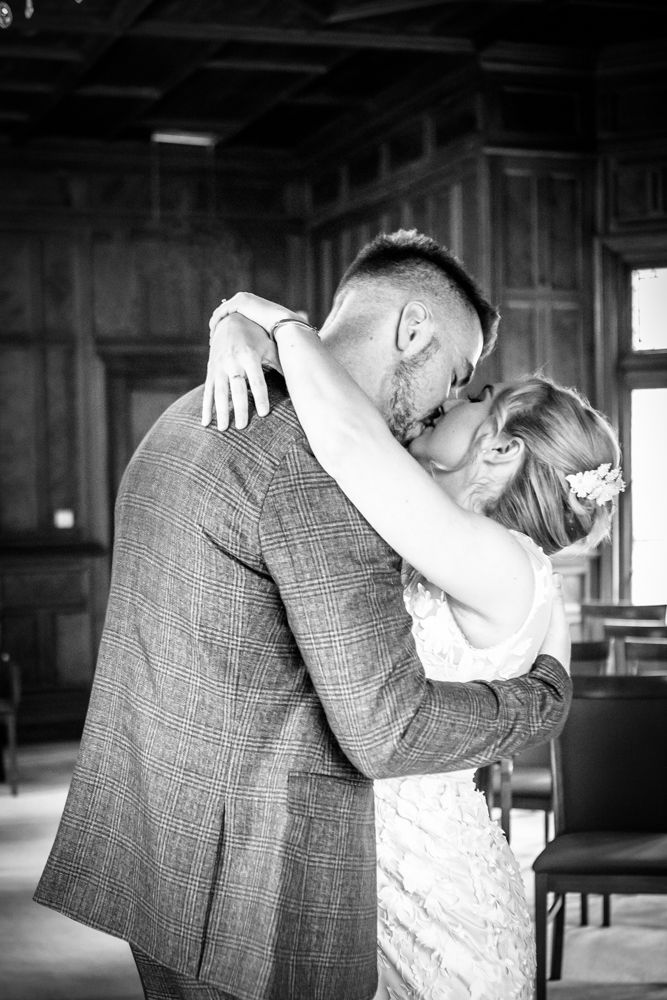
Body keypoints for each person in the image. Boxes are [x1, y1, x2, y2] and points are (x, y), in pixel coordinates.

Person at [34, 231, 573, 1000]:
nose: (446, 404)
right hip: (258, 896)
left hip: (159, 855)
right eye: (455, 376)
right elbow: (386, 729)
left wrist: (240, 318)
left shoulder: (189, 413)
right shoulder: (318, 467)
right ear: (412, 330)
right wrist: (539, 701)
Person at [202, 280, 623, 1000]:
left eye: (473, 399)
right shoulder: (457, 543)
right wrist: (233, 332)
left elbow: (346, 437)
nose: (447, 401)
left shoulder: (500, 560)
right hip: (367, 856)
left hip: (432, 892)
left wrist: (261, 315)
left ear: (498, 451)